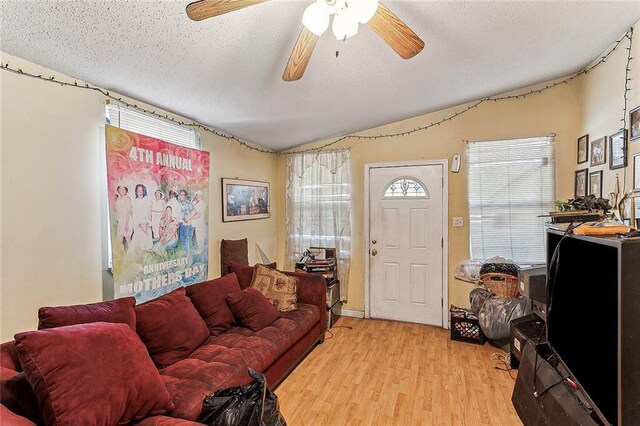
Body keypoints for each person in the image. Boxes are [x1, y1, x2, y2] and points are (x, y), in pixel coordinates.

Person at [130, 183, 152, 251]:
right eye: (138, 190)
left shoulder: (147, 200)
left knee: (145, 237)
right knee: (137, 239)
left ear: (143, 191)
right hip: (137, 222)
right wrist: (135, 223)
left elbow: (149, 212)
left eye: (141, 190)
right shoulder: (134, 201)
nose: (139, 191)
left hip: (145, 221)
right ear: (136, 191)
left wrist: (149, 224)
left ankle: (146, 253)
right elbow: (132, 213)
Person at [114, 185, 132, 251]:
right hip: (120, 221)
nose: (121, 190)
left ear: (126, 190)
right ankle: (121, 255)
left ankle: (131, 255)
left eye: (123, 189)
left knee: (128, 239)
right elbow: (116, 209)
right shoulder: (118, 199)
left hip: (126, 221)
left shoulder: (127, 199)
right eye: (120, 189)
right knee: (119, 240)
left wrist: (126, 224)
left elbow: (128, 212)